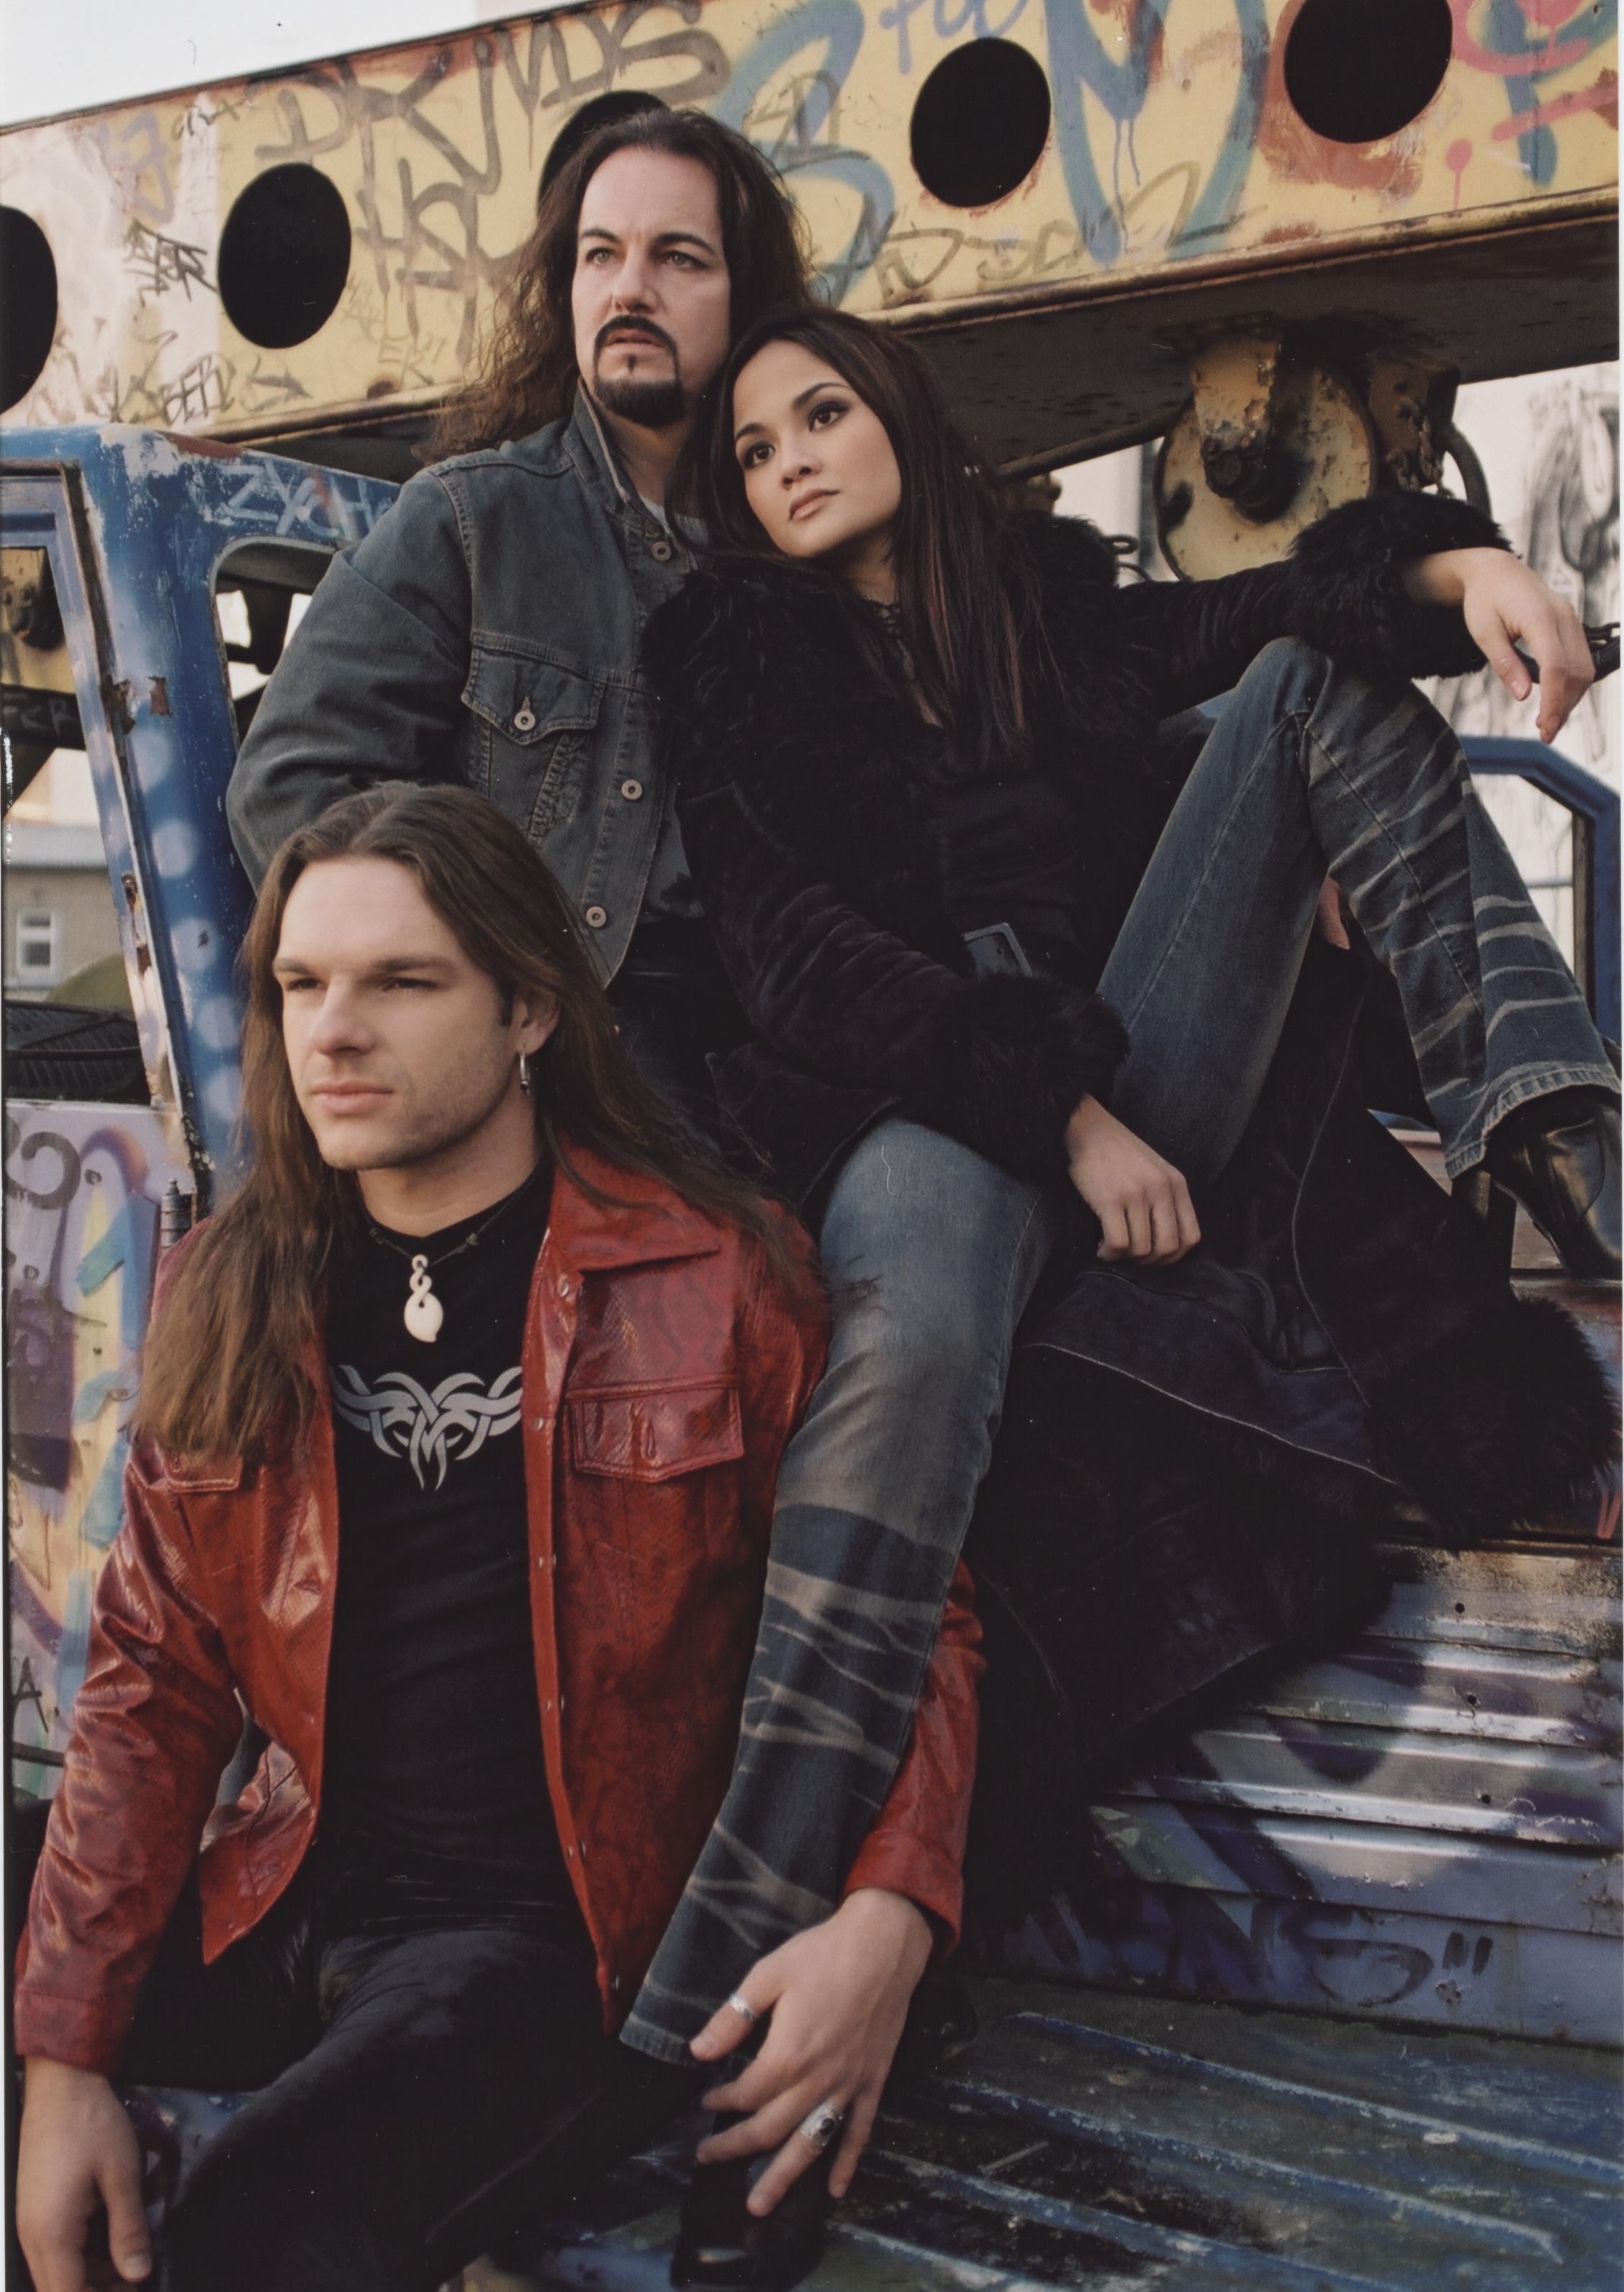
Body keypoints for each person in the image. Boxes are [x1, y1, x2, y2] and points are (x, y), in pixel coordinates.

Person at [626, 303, 1619, 2029]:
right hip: (921, 1095)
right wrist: (1064, 1120)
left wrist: (1455, 567)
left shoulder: (1041, 609)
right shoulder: (733, 658)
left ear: (903, 418)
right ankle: (740, 1937)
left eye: (821, 415)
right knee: (910, 1365)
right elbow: (799, 965)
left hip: (1133, 1050)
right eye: (754, 451)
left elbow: (1262, 617)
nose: (788, 462)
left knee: (1317, 685)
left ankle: (1559, 1130)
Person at [12, 784, 981, 2292]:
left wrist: (888, 1918)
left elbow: (909, 1615)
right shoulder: (235, 1279)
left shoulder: (713, 1274)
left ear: (529, 1007)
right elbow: (158, 1675)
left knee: (257, 2239)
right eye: (303, 984)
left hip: (553, 1943)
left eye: (402, 983)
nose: (335, 1032)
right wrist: (64, 2059)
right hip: (281, 1877)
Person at [226, 102, 808, 1138]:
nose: (629, 289)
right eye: (600, 255)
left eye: (678, 258)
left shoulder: (804, 546)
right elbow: (291, 785)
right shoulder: (469, 521)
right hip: (562, 1050)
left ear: (750, 297)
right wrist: (466, 986)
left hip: (787, 1050)